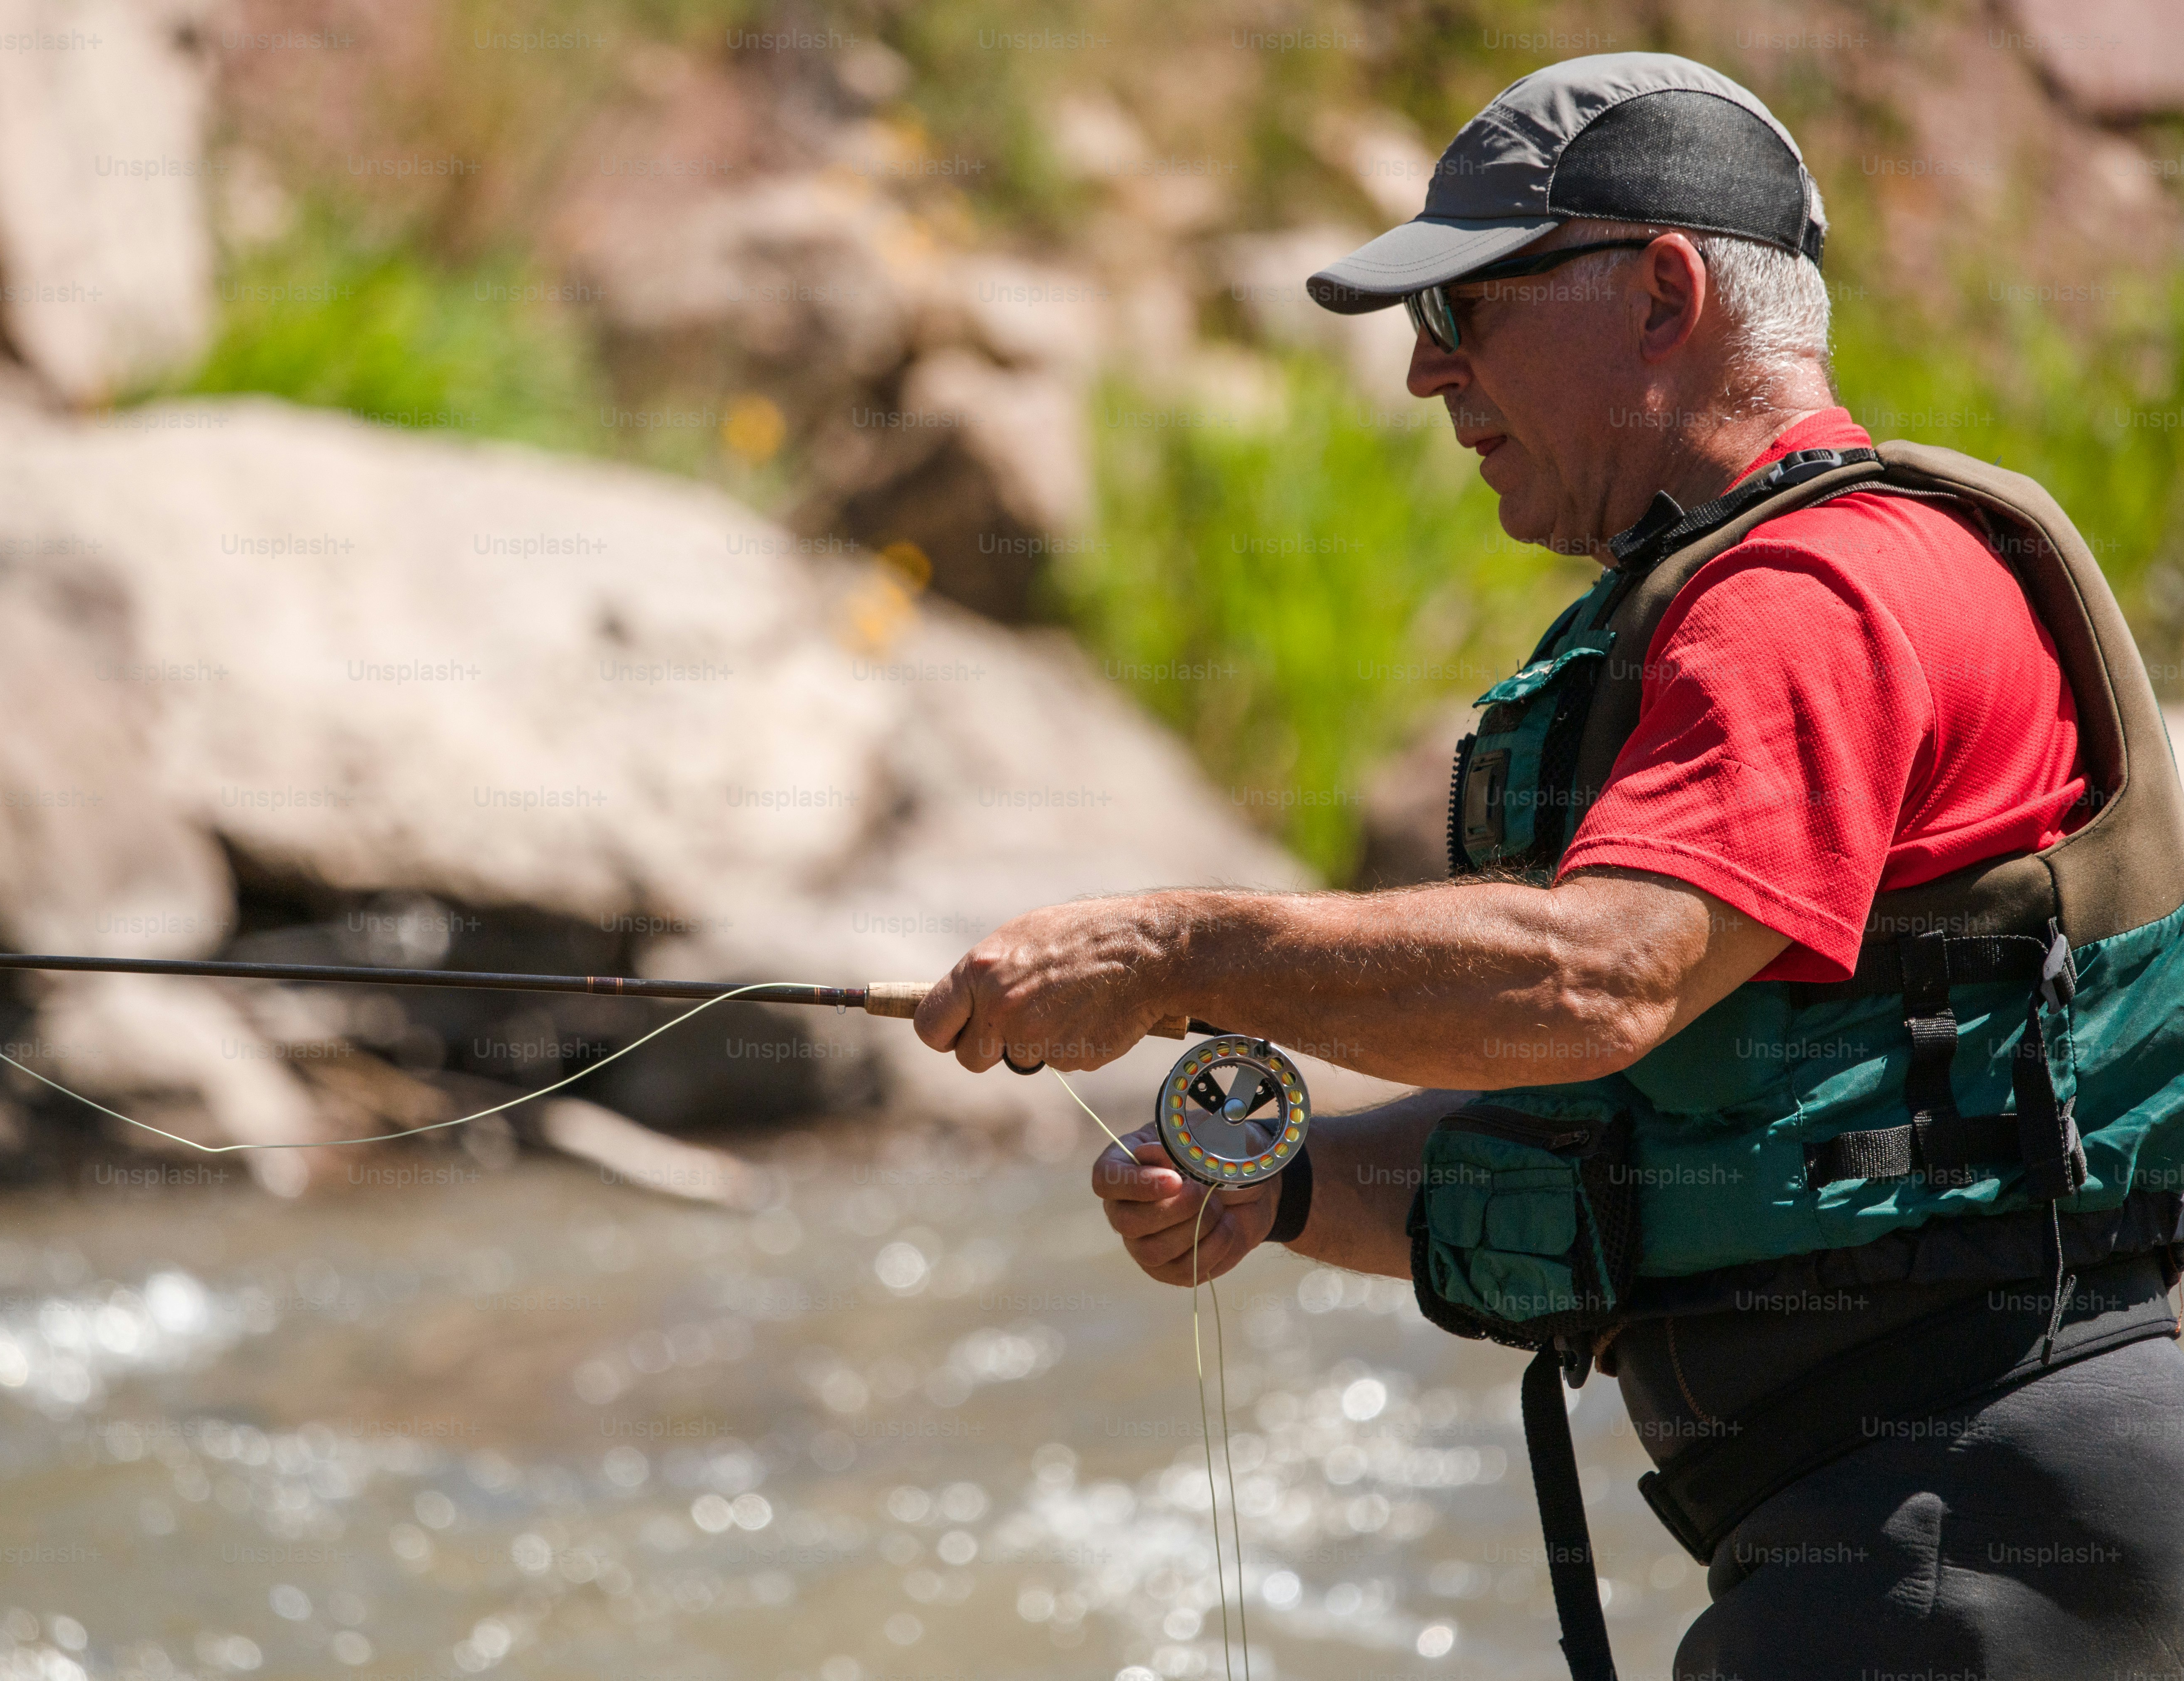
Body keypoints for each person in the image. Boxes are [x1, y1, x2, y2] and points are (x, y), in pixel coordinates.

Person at [913, 52, 2184, 1681]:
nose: (1429, 378)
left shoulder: (1821, 595)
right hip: (1930, 1514)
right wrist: (1280, 1182)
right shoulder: (1762, 584)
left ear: (1664, 294)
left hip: (1962, 1520)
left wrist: (1177, 954)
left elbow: (1602, 978)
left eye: (1466, 314)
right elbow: (1634, 1132)